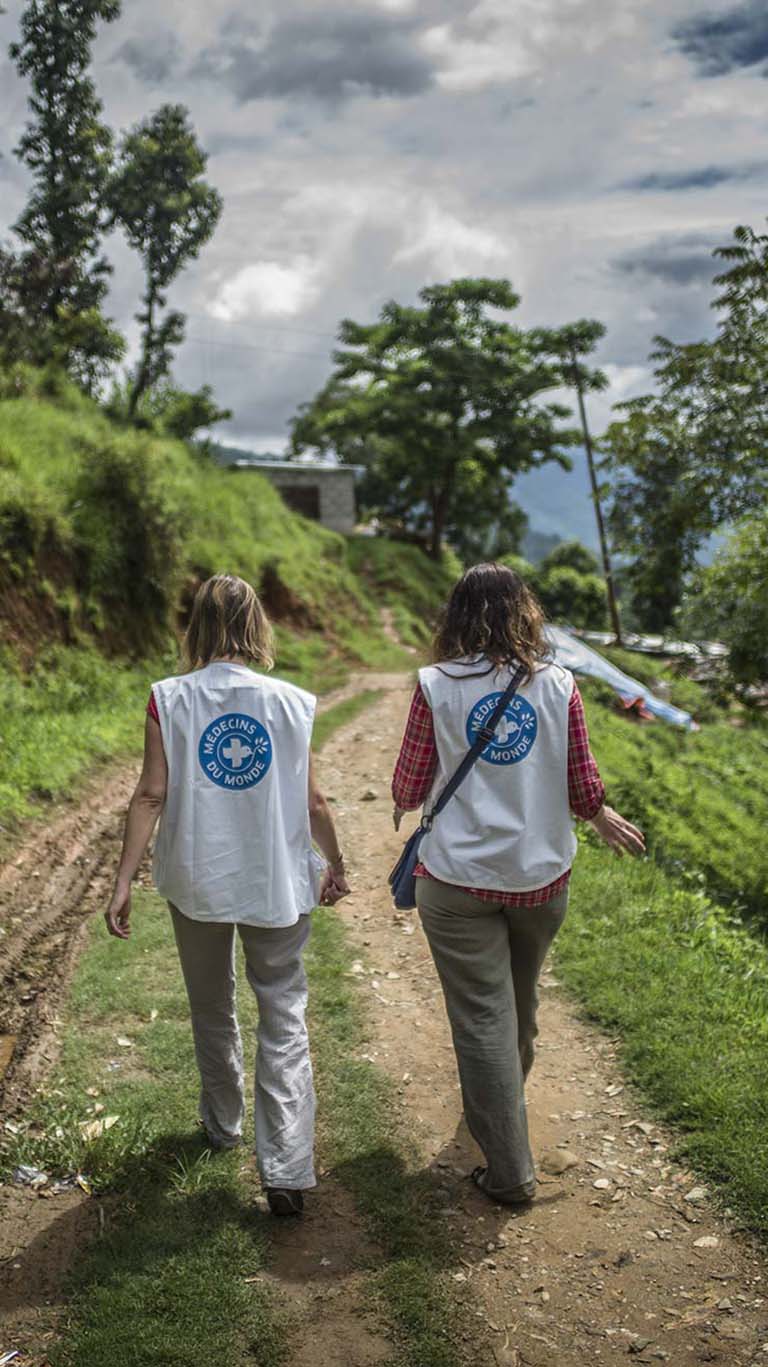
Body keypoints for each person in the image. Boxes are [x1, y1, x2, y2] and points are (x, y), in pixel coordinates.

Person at [391, 562, 644, 1206]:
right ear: (524, 612)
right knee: (519, 1005)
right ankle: (504, 1111)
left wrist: (405, 801)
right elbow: (582, 782)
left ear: (455, 616)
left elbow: (409, 783)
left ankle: (508, 1168)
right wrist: (600, 814)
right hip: (540, 878)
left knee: (482, 1020)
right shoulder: (558, 684)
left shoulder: (435, 685)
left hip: (457, 881)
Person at [104, 573, 349, 1216]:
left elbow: (151, 795)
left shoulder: (169, 698)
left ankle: (222, 1123)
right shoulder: (292, 703)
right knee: (284, 1013)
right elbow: (313, 800)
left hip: (199, 880)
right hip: (275, 880)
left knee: (212, 1005)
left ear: (196, 629)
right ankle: (288, 1168)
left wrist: (125, 877)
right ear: (256, 627)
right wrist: (336, 860)